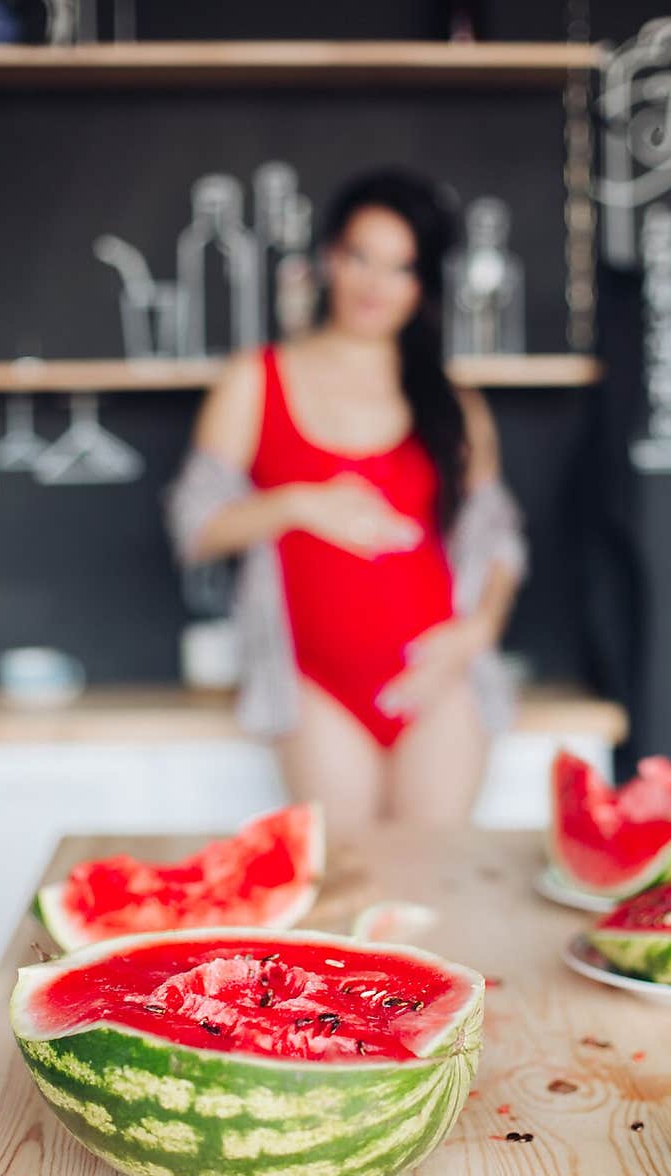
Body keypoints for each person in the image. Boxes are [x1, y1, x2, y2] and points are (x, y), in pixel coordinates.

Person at [166, 168, 528, 835]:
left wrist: (476, 633)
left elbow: (499, 537)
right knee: (349, 886)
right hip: (316, 687)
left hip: (439, 682)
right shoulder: (257, 380)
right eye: (361, 257)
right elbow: (193, 525)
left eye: (400, 267)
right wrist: (298, 504)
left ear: (422, 286)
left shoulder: (453, 404)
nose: (374, 284)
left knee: (434, 886)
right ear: (330, 257)